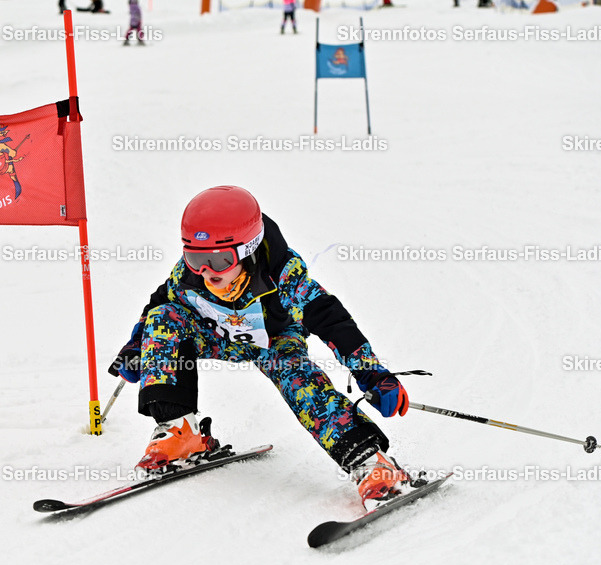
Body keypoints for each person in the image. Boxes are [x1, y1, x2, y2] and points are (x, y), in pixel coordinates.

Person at [108, 186, 415, 510]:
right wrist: (135, 348)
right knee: (163, 318)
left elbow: (330, 319)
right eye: (196, 258)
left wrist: (371, 373)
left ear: (248, 250)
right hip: (222, 336)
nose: (207, 273)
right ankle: (180, 432)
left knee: (297, 379)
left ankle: (371, 464)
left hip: (275, 342)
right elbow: (162, 301)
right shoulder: (190, 274)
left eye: (220, 260)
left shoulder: (283, 275)